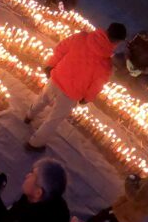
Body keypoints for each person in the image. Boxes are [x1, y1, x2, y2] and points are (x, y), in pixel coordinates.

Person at [25, 23, 127, 152]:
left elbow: (61, 48)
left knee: (43, 98)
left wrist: (51, 64)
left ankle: (29, 116)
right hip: (71, 95)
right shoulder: (106, 64)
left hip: (57, 77)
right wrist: (87, 98)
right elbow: (97, 85)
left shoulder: (82, 37)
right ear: (117, 42)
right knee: (53, 119)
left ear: (106, 30)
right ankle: (35, 143)